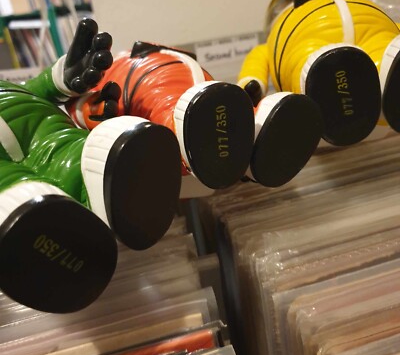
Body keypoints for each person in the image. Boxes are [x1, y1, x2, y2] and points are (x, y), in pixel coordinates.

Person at [0, 18, 181, 313]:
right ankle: (32, 222)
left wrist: (61, 77)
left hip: (45, 132)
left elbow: (33, 89)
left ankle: (110, 167)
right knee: (15, 192)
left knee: (77, 155)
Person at [67, 41, 322, 189]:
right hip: (188, 71)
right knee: (216, 112)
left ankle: (215, 144)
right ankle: (255, 126)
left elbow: (82, 109)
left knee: (172, 113)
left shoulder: (107, 72)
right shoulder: (108, 71)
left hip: (145, 77)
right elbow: (84, 109)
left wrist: (89, 113)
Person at [238, 0, 400, 146]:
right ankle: (387, 72)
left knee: (302, 63)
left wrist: (250, 87)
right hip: (367, 16)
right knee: (385, 53)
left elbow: (255, 63)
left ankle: (320, 84)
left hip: (308, 31)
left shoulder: (277, 33)